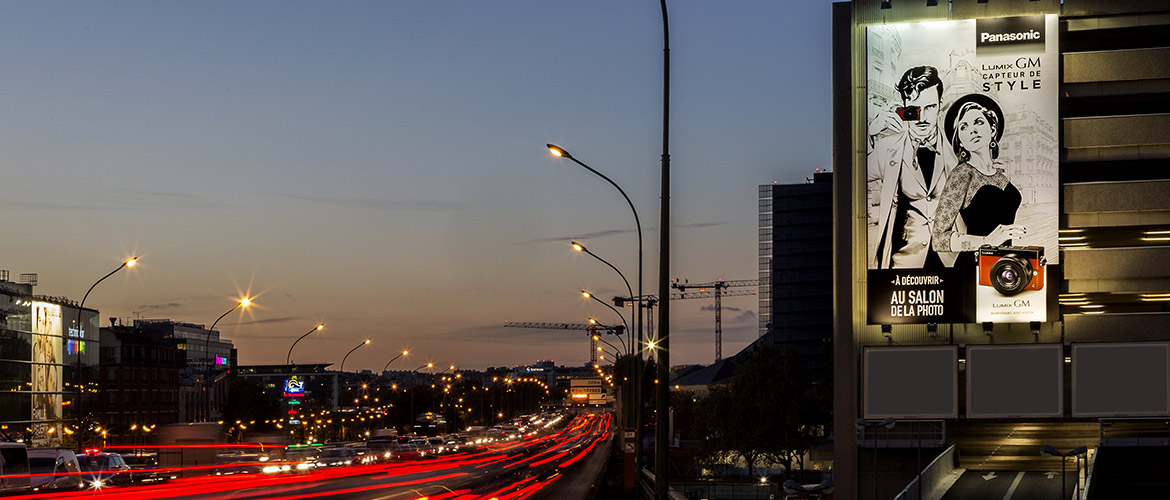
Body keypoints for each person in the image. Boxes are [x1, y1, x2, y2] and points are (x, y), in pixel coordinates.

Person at [867, 66, 957, 270]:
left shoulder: (957, 149)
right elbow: (853, 176)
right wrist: (870, 134)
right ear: (904, 108)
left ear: (940, 106)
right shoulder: (886, 149)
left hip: (953, 261)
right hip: (904, 264)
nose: (923, 117)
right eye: (915, 109)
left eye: (931, 107)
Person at [931, 93, 1025, 264]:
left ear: (993, 129)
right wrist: (987, 242)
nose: (972, 130)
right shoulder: (961, 174)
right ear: (960, 141)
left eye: (978, 122)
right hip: (974, 264)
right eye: (964, 127)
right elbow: (938, 239)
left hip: (1004, 262)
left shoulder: (999, 174)